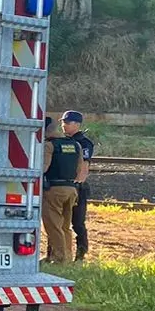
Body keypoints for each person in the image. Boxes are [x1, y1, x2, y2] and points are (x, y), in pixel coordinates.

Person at [39, 117, 84, 264]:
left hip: (53, 190)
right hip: (71, 190)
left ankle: (59, 259)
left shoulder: (49, 146)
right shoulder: (75, 145)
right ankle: (67, 257)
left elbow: (43, 169)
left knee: (53, 226)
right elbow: (79, 170)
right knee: (65, 226)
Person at [61, 110, 94, 260]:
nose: (63, 125)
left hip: (77, 188)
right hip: (64, 186)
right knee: (59, 223)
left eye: (67, 123)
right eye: (63, 122)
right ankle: (56, 254)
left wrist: (77, 184)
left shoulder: (84, 143)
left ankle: (80, 256)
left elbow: (84, 167)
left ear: (77, 125)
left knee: (77, 223)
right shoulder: (62, 140)